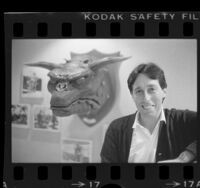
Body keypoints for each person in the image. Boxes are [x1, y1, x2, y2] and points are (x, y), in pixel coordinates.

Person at [100, 63, 197, 163]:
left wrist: (185, 157)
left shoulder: (182, 120)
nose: (146, 98)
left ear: (164, 92)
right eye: (139, 91)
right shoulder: (116, 129)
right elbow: (107, 174)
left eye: (151, 89)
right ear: (132, 95)